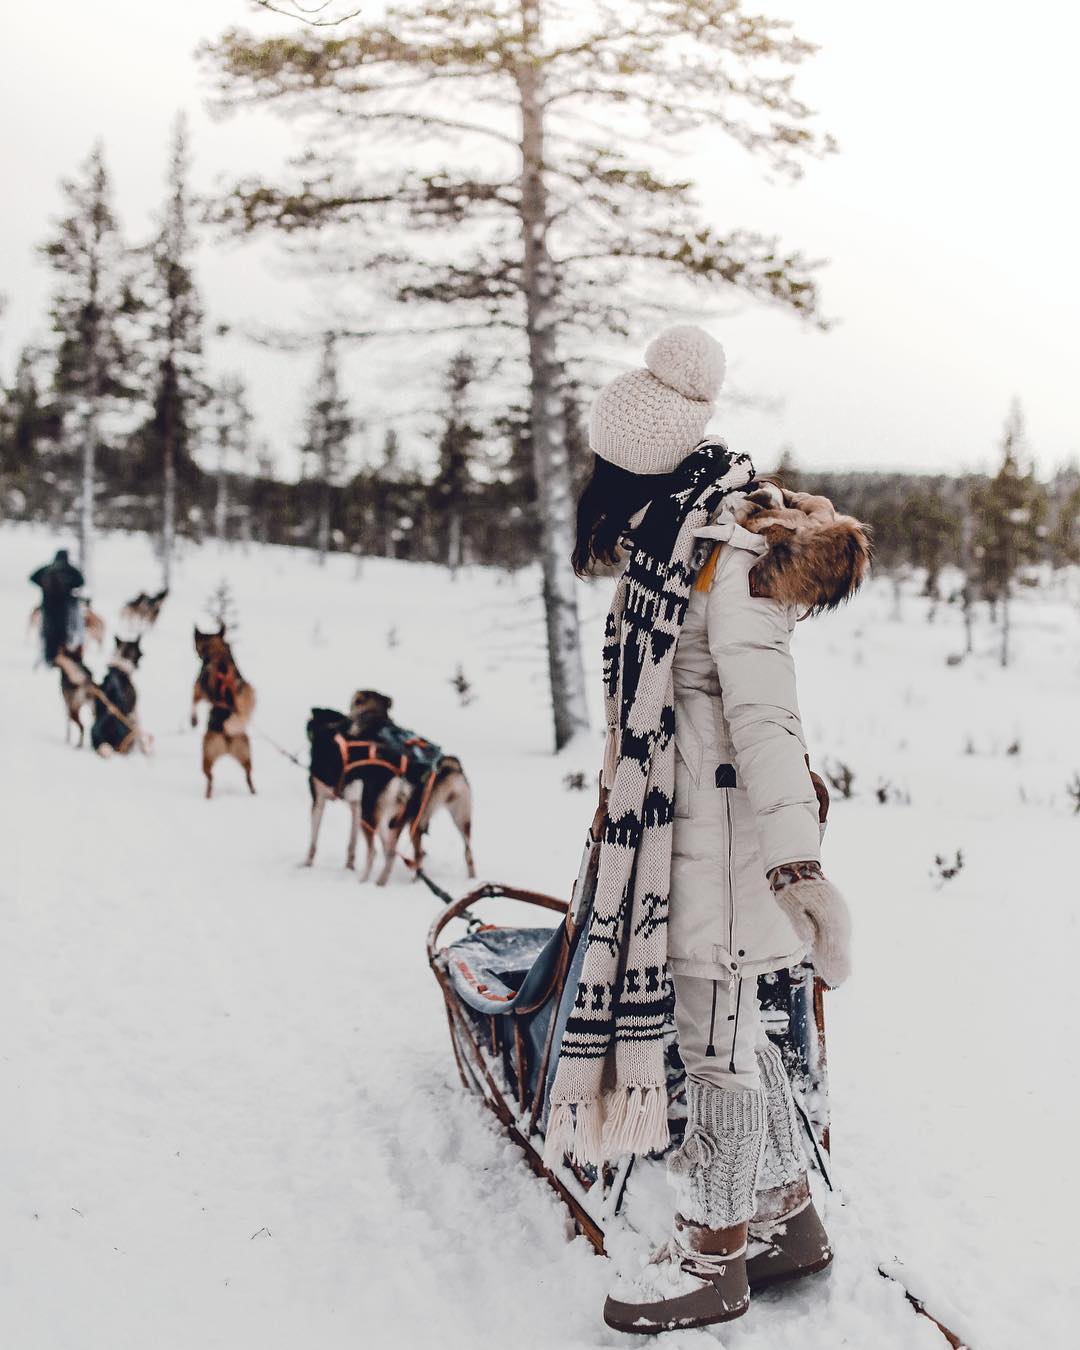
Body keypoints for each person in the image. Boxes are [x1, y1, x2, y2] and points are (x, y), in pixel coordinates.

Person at [545, 326, 869, 1334]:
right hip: (674, 835)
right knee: (729, 1033)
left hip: (721, 846)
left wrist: (801, 866)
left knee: (715, 1046)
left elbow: (766, 716)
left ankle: (713, 1256)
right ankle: (786, 1222)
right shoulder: (674, 534)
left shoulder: (727, 552)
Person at [30, 548, 85, 665]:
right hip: (64, 607)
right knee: (62, 633)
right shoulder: (70, 570)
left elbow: (32, 577)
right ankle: (60, 657)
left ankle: (48, 656)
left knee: (48, 631)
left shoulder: (47, 569)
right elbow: (80, 581)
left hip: (48, 606)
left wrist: (43, 586)